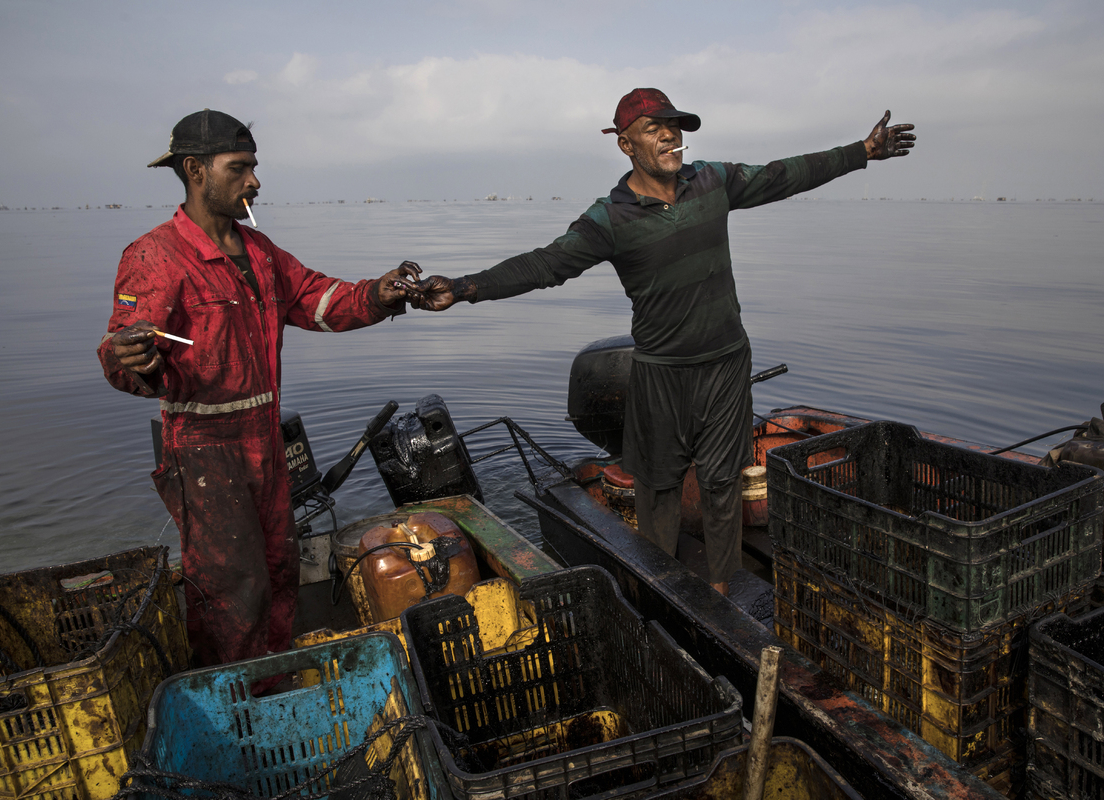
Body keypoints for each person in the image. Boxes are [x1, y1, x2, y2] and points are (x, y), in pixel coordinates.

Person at [409, 88, 915, 596]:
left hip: (726, 366)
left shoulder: (713, 180)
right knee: (658, 489)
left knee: (721, 484)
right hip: (661, 374)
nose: (671, 135)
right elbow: (544, 264)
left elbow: (786, 175)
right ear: (626, 146)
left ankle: (719, 594)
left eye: (675, 125)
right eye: (656, 128)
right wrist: (463, 288)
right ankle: (659, 591)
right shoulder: (609, 218)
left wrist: (862, 152)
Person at [97, 109, 420, 667]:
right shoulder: (154, 257)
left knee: (278, 567)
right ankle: (234, 696)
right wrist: (129, 356)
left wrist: (379, 293)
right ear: (195, 170)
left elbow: (319, 300)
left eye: (254, 167)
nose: (254, 181)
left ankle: (274, 679)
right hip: (203, 446)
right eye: (240, 168)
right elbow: (124, 351)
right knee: (230, 588)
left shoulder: (260, 251)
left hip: (265, 438)